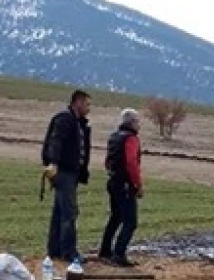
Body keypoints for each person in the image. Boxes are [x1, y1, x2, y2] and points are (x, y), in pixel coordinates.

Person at [42, 90, 92, 263]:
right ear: (77, 102)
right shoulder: (65, 119)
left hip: (71, 173)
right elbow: (56, 141)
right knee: (69, 212)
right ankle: (69, 252)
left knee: (59, 211)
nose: (88, 108)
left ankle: (54, 249)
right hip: (64, 172)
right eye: (87, 104)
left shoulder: (78, 123)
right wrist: (53, 163)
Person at [98, 108, 144, 267]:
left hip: (113, 181)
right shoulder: (131, 139)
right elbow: (131, 163)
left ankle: (105, 250)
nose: (139, 125)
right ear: (131, 122)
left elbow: (108, 161)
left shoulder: (114, 137)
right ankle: (119, 254)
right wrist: (137, 184)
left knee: (115, 217)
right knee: (130, 221)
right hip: (125, 184)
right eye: (138, 121)